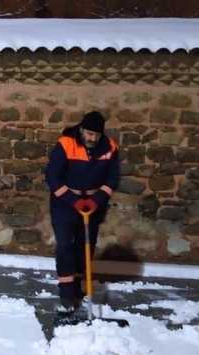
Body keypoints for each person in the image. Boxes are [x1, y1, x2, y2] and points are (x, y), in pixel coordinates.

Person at [44, 111, 120, 315]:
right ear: (81, 130)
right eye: (88, 133)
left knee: (85, 247)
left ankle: (79, 289)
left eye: (96, 135)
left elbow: (113, 179)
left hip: (93, 206)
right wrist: (74, 200)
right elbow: (52, 177)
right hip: (65, 204)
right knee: (64, 247)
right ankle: (67, 295)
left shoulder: (110, 147)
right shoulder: (66, 144)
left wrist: (96, 200)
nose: (92, 138)